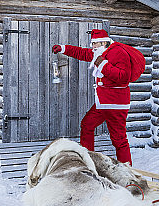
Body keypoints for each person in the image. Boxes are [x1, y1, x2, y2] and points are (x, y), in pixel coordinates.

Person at [52, 29, 133, 165]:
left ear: (104, 42)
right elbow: (82, 53)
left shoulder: (118, 52)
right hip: (103, 102)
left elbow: (123, 77)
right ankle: (88, 160)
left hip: (116, 104)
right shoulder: (100, 53)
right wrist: (63, 48)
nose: (93, 46)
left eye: (96, 43)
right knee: (87, 125)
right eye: (92, 43)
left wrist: (102, 64)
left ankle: (127, 170)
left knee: (119, 139)